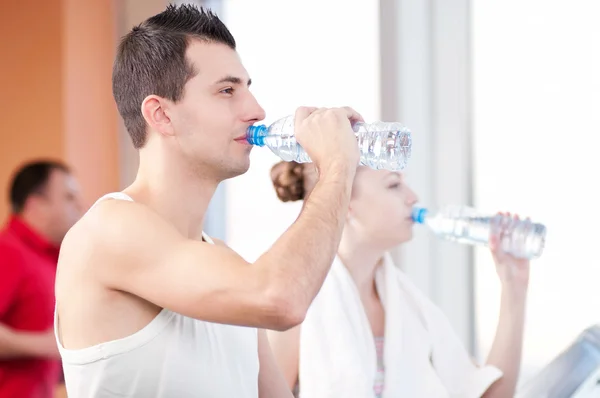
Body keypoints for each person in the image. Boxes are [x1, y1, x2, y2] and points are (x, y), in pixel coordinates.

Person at [54, 4, 362, 398]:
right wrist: (336, 168)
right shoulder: (107, 230)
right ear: (161, 115)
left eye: (248, 88)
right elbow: (281, 299)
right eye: (227, 90)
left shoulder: (223, 263)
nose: (256, 110)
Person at [267, 161, 531, 398]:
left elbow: (489, 395)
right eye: (394, 184)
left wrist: (513, 285)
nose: (413, 198)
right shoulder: (298, 304)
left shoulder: (411, 305)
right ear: (344, 201)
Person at [0, 160, 82, 398]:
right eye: (69, 197)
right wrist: (47, 345)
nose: (80, 206)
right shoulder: (7, 252)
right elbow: (47, 345)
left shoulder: (49, 258)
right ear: (35, 205)